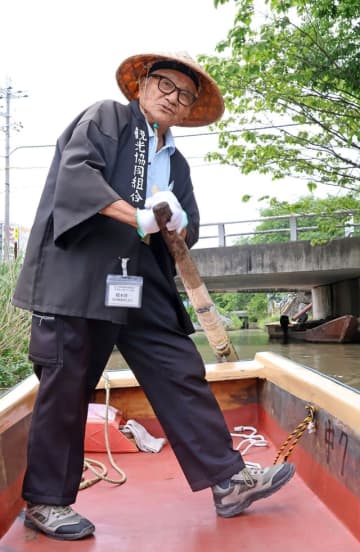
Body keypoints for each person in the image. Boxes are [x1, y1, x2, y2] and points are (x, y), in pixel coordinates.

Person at [13, 51, 295, 541]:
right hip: (79, 276)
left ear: (189, 113)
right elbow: (79, 176)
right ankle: (45, 502)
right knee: (67, 386)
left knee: (180, 369)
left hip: (139, 279)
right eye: (166, 86)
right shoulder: (108, 118)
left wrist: (178, 223)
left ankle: (229, 480)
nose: (174, 99)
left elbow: (187, 227)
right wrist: (138, 216)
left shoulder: (175, 161)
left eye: (185, 97)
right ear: (142, 84)